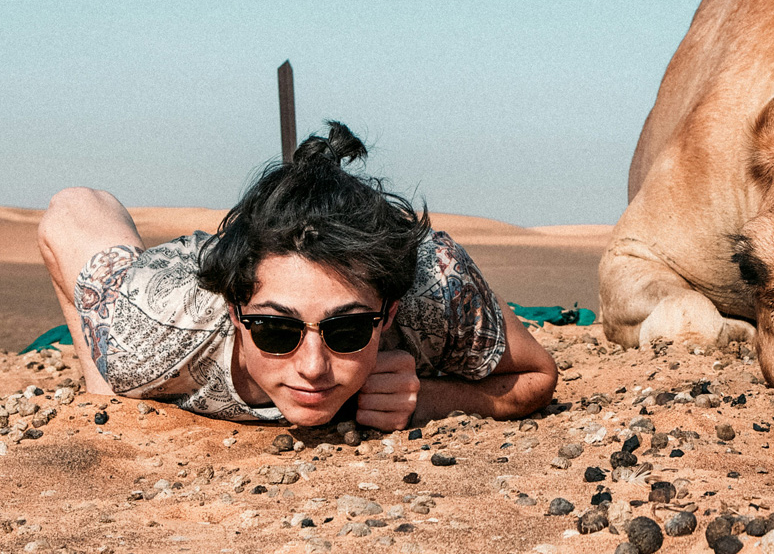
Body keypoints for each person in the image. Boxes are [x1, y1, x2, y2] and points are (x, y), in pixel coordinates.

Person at [37, 123, 559, 429]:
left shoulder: (437, 288)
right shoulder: (149, 328)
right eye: (276, 331)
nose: (313, 368)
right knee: (116, 388)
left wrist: (429, 397)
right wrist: (102, 381)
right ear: (236, 313)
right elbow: (72, 211)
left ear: (389, 314)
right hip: (178, 288)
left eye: (348, 331)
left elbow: (539, 376)